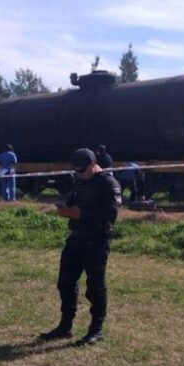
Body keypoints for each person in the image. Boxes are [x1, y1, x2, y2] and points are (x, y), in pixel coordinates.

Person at [40, 148, 122, 346]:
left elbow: (110, 216)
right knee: (65, 283)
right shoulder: (79, 182)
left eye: (83, 170)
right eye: (76, 171)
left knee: (95, 287)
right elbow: (73, 200)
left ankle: (96, 329)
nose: (79, 174)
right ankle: (65, 326)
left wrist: (81, 215)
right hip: (76, 238)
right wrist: (65, 209)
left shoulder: (108, 184)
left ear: (93, 164)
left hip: (96, 240)